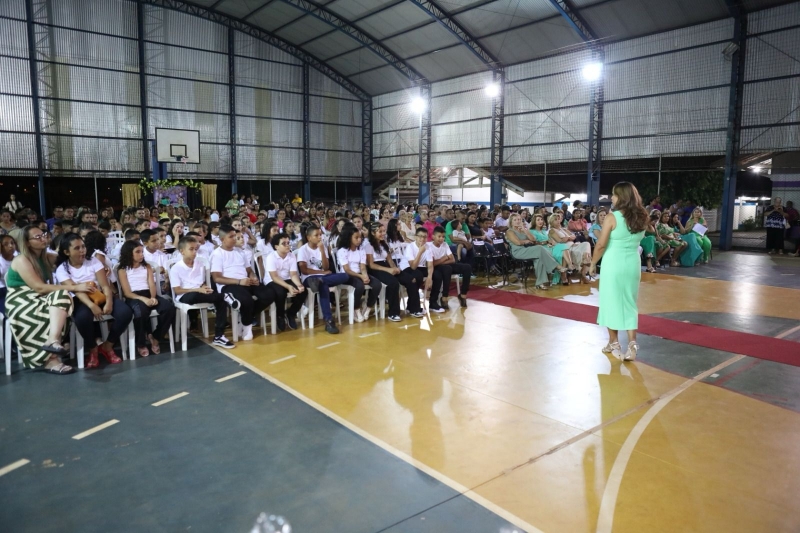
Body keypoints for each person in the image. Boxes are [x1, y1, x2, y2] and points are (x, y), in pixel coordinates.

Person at [6, 226, 94, 374]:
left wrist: (103, 266)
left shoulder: (46, 256)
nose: (43, 238)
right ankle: (51, 358)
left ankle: (52, 342)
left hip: (41, 296)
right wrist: (76, 287)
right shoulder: (22, 259)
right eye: (37, 237)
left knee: (62, 297)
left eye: (44, 235)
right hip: (21, 299)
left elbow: (71, 257)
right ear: (27, 243)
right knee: (61, 298)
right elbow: (39, 287)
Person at [589, 182, 649, 361]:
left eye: (614, 195)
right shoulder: (643, 216)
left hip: (613, 263)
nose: (612, 198)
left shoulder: (612, 217)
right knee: (630, 302)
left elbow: (601, 244)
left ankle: (614, 342)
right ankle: (632, 343)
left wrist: (593, 264)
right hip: (632, 263)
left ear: (621, 197)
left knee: (610, 301)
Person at [54, 234, 131, 368]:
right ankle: (93, 349)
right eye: (77, 248)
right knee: (83, 318)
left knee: (125, 313)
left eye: (83, 246)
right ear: (67, 252)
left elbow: (105, 285)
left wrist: (109, 302)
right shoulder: (62, 269)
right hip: (80, 298)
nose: (82, 250)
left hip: (100, 294)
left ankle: (108, 346)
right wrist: (91, 305)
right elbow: (76, 290)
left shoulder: (94, 261)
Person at [169, 236, 235, 348]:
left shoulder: (200, 264)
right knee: (196, 296)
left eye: (196, 249)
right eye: (191, 249)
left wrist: (204, 288)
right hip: (185, 295)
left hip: (200, 293)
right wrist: (197, 289)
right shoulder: (176, 268)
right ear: (182, 251)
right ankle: (224, 296)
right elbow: (177, 290)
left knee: (221, 301)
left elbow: (201, 283)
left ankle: (219, 336)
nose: (195, 252)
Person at [211, 224, 274, 341]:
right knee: (247, 300)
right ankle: (247, 326)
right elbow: (217, 278)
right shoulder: (217, 254)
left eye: (235, 236)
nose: (235, 238)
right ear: (222, 239)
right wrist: (239, 281)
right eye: (231, 237)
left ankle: (245, 318)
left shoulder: (240, 251)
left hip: (245, 281)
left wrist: (253, 277)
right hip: (229, 285)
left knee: (269, 294)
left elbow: (249, 270)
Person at [117, 240, 176, 357]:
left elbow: (151, 285)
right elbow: (127, 293)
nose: (141, 254)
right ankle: (141, 343)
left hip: (148, 293)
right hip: (134, 296)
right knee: (140, 312)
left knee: (169, 308)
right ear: (129, 253)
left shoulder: (147, 266)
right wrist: (143, 299)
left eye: (142, 252)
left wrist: (153, 297)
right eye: (137, 252)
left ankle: (156, 337)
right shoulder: (122, 269)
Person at [297, 226, 348, 334]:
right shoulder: (303, 250)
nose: (320, 237)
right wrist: (321, 273)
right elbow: (304, 270)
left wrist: (322, 251)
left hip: (323, 277)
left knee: (345, 276)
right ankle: (329, 321)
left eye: (321, 234)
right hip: (309, 278)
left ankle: (320, 282)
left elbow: (326, 268)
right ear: (309, 237)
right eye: (316, 235)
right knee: (322, 285)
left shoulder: (322, 247)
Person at [336, 224, 381, 323]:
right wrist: (361, 276)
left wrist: (364, 275)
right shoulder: (342, 251)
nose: (359, 239)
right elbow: (347, 269)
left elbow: (363, 266)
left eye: (360, 237)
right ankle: (356, 309)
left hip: (359, 273)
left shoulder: (361, 250)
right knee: (359, 285)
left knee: (377, 284)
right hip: (346, 275)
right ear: (349, 238)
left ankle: (368, 307)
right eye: (356, 237)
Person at [506, 213, 563, 289]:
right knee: (539, 248)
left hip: (526, 249)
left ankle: (540, 283)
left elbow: (533, 239)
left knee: (539, 258)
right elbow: (518, 242)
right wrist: (526, 241)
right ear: (511, 222)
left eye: (519, 219)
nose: (518, 221)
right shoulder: (510, 231)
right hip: (518, 251)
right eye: (515, 220)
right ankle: (556, 266)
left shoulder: (523, 230)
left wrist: (525, 230)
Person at [265, 233, 305, 331]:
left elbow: (293, 275)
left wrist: (299, 284)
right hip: (272, 280)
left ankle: (291, 313)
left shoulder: (291, 256)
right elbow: (274, 277)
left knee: (303, 291)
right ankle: (280, 315)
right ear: (276, 247)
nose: (287, 245)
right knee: (280, 292)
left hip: (287, 279)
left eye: (288, 243)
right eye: (284, 243)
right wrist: (288, 287)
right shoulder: (271, 257)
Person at [365, 222, 404, 322]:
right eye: (380, 231)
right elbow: (371, 264)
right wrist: (389, 270)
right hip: (375, 269)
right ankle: (393, 313)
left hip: (385, 266)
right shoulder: (369, 245)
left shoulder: (383, 244)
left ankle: (413, 307)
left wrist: (395, 268)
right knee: (393, 283)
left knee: (405, 277)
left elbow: (389, 260)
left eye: (384, 231)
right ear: (373, 233)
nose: (383, 233)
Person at [427, 226, 470, 311]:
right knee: (447, 269)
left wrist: (441, 261)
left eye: (443, 237)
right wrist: (444, 258)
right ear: (433, 236)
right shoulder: (429, 246)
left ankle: (463, 295)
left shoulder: (445, 244)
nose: (441, 239)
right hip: (437, 268)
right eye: (439, 236)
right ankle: (444, 297)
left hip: (446, 265)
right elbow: (432, 264)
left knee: (467, 267)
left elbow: (453, 260)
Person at [0, 234, 18, 314]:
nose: (11, 246)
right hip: (2, 290)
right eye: (6, 244)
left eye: (12, 243)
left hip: (17, 288)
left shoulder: (20, 258)